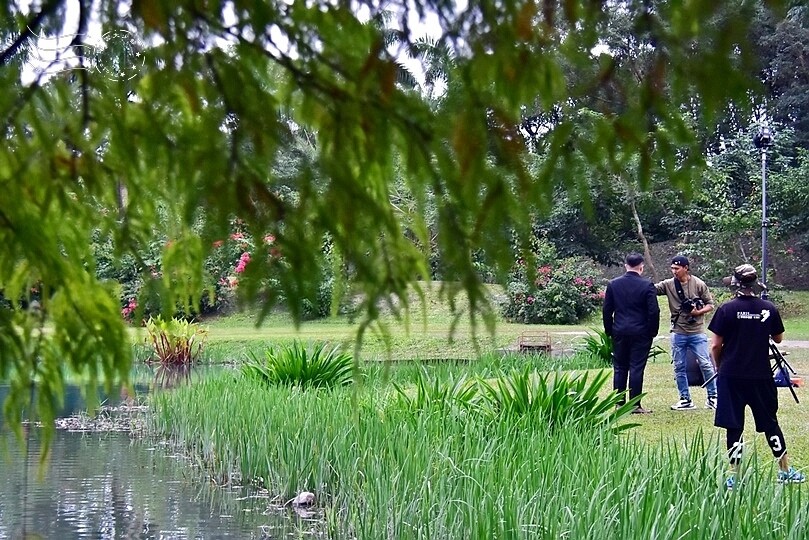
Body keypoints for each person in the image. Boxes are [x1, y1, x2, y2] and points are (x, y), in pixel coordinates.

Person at [708, 263, 805, 489]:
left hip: (731, 376)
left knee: (734, 426)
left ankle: (736, 475)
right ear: (755, 285)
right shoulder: (768, 308)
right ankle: (785, 470)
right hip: (761, 375)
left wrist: (719, 367)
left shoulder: (726, 309)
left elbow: (715, 345)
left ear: (735, 285)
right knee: (770, 423)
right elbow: (778, 338)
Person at [655, 255, 718, 410]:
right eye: (672, 268)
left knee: (706, 364)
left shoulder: (698, 284)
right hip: (678, 331)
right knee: (679, 366)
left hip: (697, 331)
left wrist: (698, 312)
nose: (674, 271)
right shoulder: (668, 284)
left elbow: (710, 304)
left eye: (677, 268)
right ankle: (685, 399)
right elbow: (651, 289)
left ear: (686, 268)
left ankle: (713, 397)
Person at [602, 253, 660, 414]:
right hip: (641, 331)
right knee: (636, 367)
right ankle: (635, 405)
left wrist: (609, 330)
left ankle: (619, 403)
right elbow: (653, 311)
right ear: (641, 266)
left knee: (620, 367)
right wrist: (652, 331)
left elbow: (607, 310)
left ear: (625, 265)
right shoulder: (647, 285)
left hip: (619, 330)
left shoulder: (613, 284)